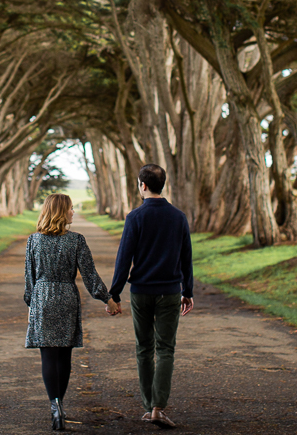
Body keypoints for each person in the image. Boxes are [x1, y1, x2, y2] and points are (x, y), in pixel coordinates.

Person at [107, 164, 194, 430]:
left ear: (142, 185)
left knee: (144, 348)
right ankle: (158, 408)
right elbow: (186, 258)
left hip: (141, 292)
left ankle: (148, 407)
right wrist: (188, 291)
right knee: (166, 349)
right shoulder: (178, 217)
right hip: (169, 291)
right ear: (162, 184)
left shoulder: (135, 217)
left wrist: (114, 294)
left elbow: (124, 258)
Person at [24, 193, 115, 431]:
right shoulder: (76, 240)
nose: (73, 212)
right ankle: (61, 402)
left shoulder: (34, 240)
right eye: (71, 208)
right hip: (66, 297)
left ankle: (54, 405)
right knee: (64, 356)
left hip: (42, 297)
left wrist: (31, 304)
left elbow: (29, 280)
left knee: (48, 356)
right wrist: (108, 298)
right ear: (61, 211)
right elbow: (90, 275)